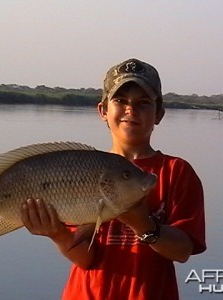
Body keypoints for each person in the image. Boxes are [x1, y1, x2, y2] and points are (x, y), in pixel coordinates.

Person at [21, 58, 206, 300]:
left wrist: (143, 225)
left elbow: (182, 251)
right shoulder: (82, 169)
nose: (131, 109)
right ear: (103, 111)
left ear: (158, 113)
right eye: (120, 101)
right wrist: (57, 233)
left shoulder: (176, 171)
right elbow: (85, 259)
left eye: (143, 102)